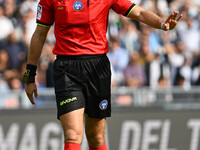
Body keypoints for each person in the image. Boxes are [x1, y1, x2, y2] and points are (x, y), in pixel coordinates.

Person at [23, 0, 183, 150]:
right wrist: (30, 75)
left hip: (97, 68)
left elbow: (139, 13)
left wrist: (162, 24)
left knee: (96, 137)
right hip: (67, 68)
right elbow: (39, 35)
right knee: (72, 134)